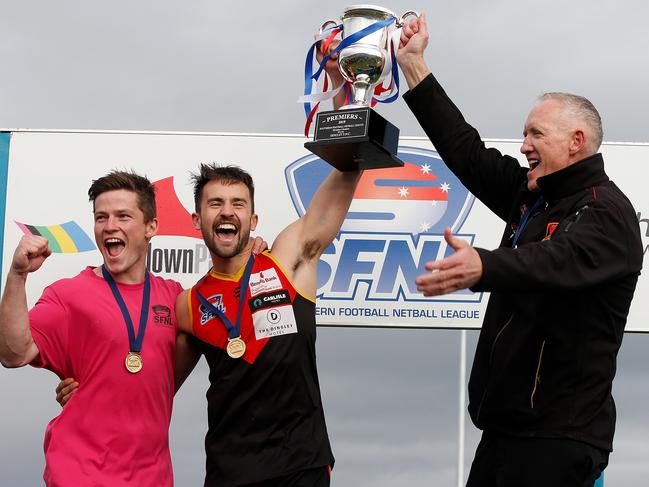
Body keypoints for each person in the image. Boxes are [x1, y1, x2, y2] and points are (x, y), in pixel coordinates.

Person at [396, 13, 643, 487]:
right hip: (503, 437)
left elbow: (556, 262)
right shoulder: (531, 197)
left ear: (577, 143)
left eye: (536, 135)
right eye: (524, 134)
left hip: (557, 441)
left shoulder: (607, 211)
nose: (523, 144)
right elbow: (464, 150)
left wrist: (484, 265)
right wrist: (414, 66)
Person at [172, 161, 361, 487]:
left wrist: (352, 141)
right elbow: (156, 386)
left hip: (300, 465)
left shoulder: (287, 260)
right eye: (215, 203)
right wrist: (85, 390)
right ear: (197, 220)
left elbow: (342, 180)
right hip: (227, 473)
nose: (227, 212)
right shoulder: (188, 305)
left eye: (238, 204)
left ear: (253, 219)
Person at [0, 171, 184, 486]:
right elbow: (13, 353)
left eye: (123, 216)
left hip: (152, 477)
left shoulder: (174, 296)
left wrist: (255, 255)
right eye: (101, 217)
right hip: (80, 472)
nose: (110, 226)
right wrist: (18, 274)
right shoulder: (69, 294)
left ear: (151, 227)